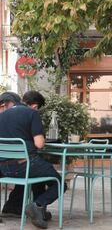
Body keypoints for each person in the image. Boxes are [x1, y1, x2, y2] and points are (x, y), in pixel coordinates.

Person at [0, 91, 65, 229]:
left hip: (4, 167)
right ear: (35, 106)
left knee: (39, 175)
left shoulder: (3, 114)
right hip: (24, 164)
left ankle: (26, 209)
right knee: (59, 183)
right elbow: (39, 144)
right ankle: (38, 205)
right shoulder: (32, 114)